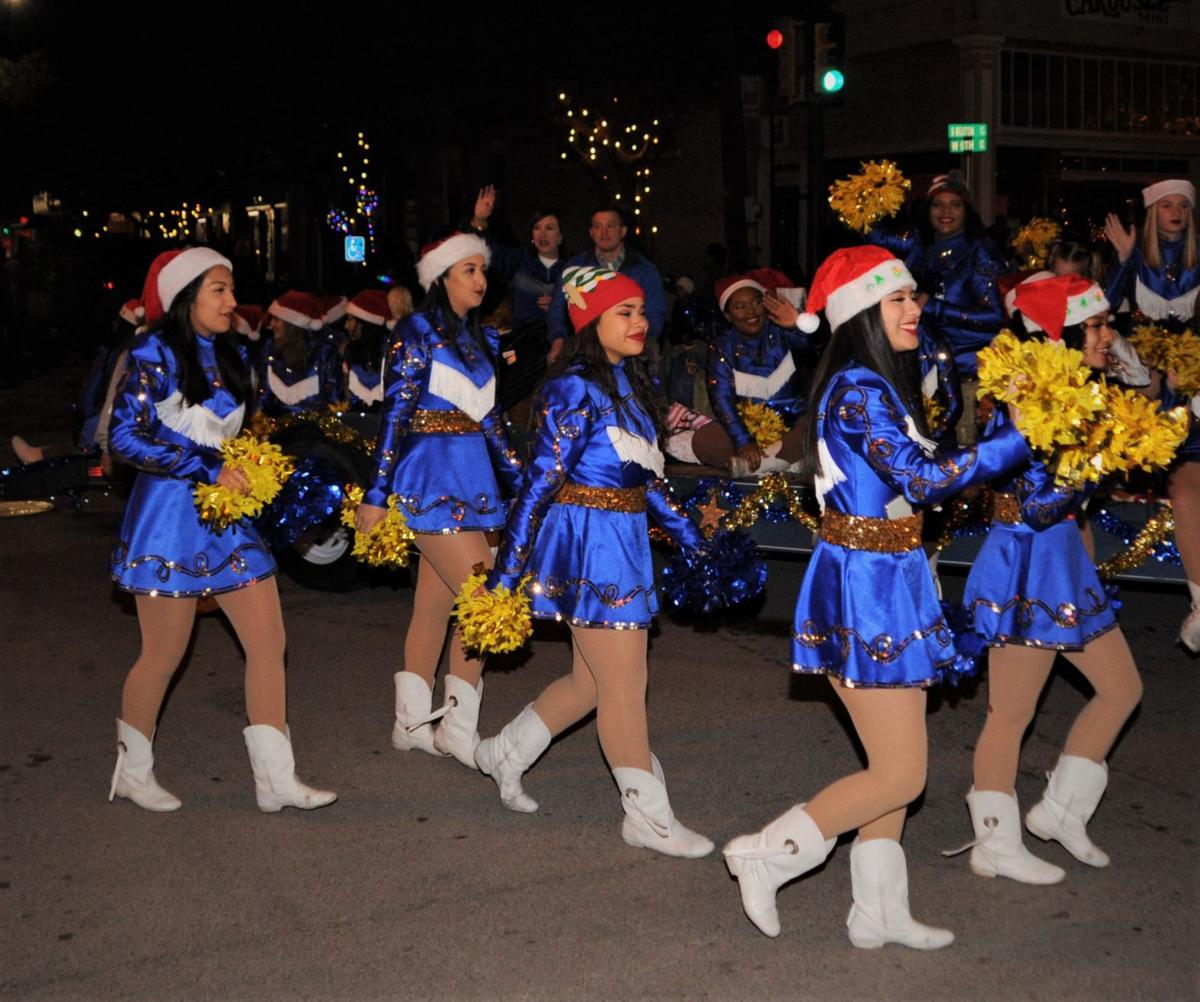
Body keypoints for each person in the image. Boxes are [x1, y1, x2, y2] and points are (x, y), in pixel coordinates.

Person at [722, 246, 1031, 947]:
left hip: (894, 577)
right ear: (861, 312)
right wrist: (1013, 445)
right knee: (902, 771)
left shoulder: (879, 386)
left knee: (898, 758)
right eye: (896, 299)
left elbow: (918, 480)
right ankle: (767, 854)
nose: (914, 307)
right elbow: (921, 480)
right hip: (863, 583)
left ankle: (877, 912)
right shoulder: (858, 389)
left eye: (914, 296)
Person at [474, 265, 713, 858]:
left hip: (623, 538)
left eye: (640, 310)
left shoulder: (629, 384)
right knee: (626, 686)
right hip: (588, 547)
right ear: (590, 322)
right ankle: (648, 819)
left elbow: (645, 480)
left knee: (590, 682)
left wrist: (692, 536)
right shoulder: (574, 387)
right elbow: (537, 484)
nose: (640, 321)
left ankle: (503, 752)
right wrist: (503, 578)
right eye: (623, 312)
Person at [108, 248, 336, 813]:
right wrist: (206, 466)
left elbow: (232, 437)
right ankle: (133, 771)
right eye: (219, 290)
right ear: (188, 295)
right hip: (168, 520)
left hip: (228, 518)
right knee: (163, 654)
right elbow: (124, 438)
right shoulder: (152, 350)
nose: (233, 302)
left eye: (231, 290)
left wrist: (260, 469)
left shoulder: (233, 354)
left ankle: (275, 780)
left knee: (269, 642)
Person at [957, 275, 1141, 884]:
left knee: (1121, 690)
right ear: (1058, 332)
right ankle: (994, 842)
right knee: (1010, 713)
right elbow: (1033, 506)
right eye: (1094, 326)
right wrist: (1100, 454)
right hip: (1025, 566)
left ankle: (1062, 811)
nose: (1107, 335)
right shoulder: (1023, 395)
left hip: (1063, 559)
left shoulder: (1081, 389)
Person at [355, 233, 523, 768]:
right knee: (484, 600)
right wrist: (377, 493)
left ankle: (409, 722)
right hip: (427, 481)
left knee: (433, 603)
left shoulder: (482, 339)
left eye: (482, 270)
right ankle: (457, 728)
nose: (480, 280)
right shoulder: (415, 331)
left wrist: (527, 485)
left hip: (474, 482)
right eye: (469, 270)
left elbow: (493, 425)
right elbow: (395, 417)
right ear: (442, 277)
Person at [1104, 179, 1200, 649]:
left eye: (1183, 205)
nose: (1176, 212)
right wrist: (1124, 260)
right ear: (1152, 214)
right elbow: (1101, 311)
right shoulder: (1136, 261)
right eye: (1167, 206)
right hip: (1147, 388)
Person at [864, 170, 1006, 445]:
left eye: (955, 204)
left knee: (965, 465)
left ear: (967, 211)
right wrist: (871, 200)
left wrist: (935, 307)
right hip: (925, 375)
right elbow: (872, 234)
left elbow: (995, 316)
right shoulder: (918, 245)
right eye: (937, 204)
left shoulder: (980, 252)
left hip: (970, 379)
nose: (945, 211)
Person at [688, 270, 816, 476]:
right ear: (728, 315)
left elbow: (805, 343)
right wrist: (743, 441)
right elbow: (721, 398)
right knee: (704, 439)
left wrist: (795, 324)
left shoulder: (781, 330)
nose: (751, 311)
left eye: (757, 302)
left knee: (812, 426)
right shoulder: (723, 345)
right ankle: (782, 461)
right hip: (745, 430)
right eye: (740, 307)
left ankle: (760, 465)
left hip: (790, 426)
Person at [546, 205, 667, 360]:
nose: (604, 232)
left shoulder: (644, 270)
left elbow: (655, 314)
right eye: (598, 226)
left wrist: (637, 344)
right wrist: (558, 340)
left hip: (629, 349)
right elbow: (558, 310)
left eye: (610, 226)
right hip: (586, 349)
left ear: (623, 231)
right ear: (591, 233)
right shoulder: (575, 269)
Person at [469, 186, 567, 330]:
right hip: (523, 341)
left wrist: (559, 305)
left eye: (549, 228)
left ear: (561, 236)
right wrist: (479, 221)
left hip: (562, 344)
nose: (542, 234)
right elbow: (490, 252)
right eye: (537, 228)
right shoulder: (519, 260)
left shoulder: (573, 268)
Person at [258, 291, 344, 416]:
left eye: (276, 319)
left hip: (314, 429)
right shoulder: (270, 349)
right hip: (276, 430)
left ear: (291, 324)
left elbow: (334, 398)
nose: (271, 324)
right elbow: (264, 395)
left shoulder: (323, 352)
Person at [342, 289, 391, 410]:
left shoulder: (391, 355)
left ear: (364, 324)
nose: (346, 326)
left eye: (350, 319)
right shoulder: (347, 354)